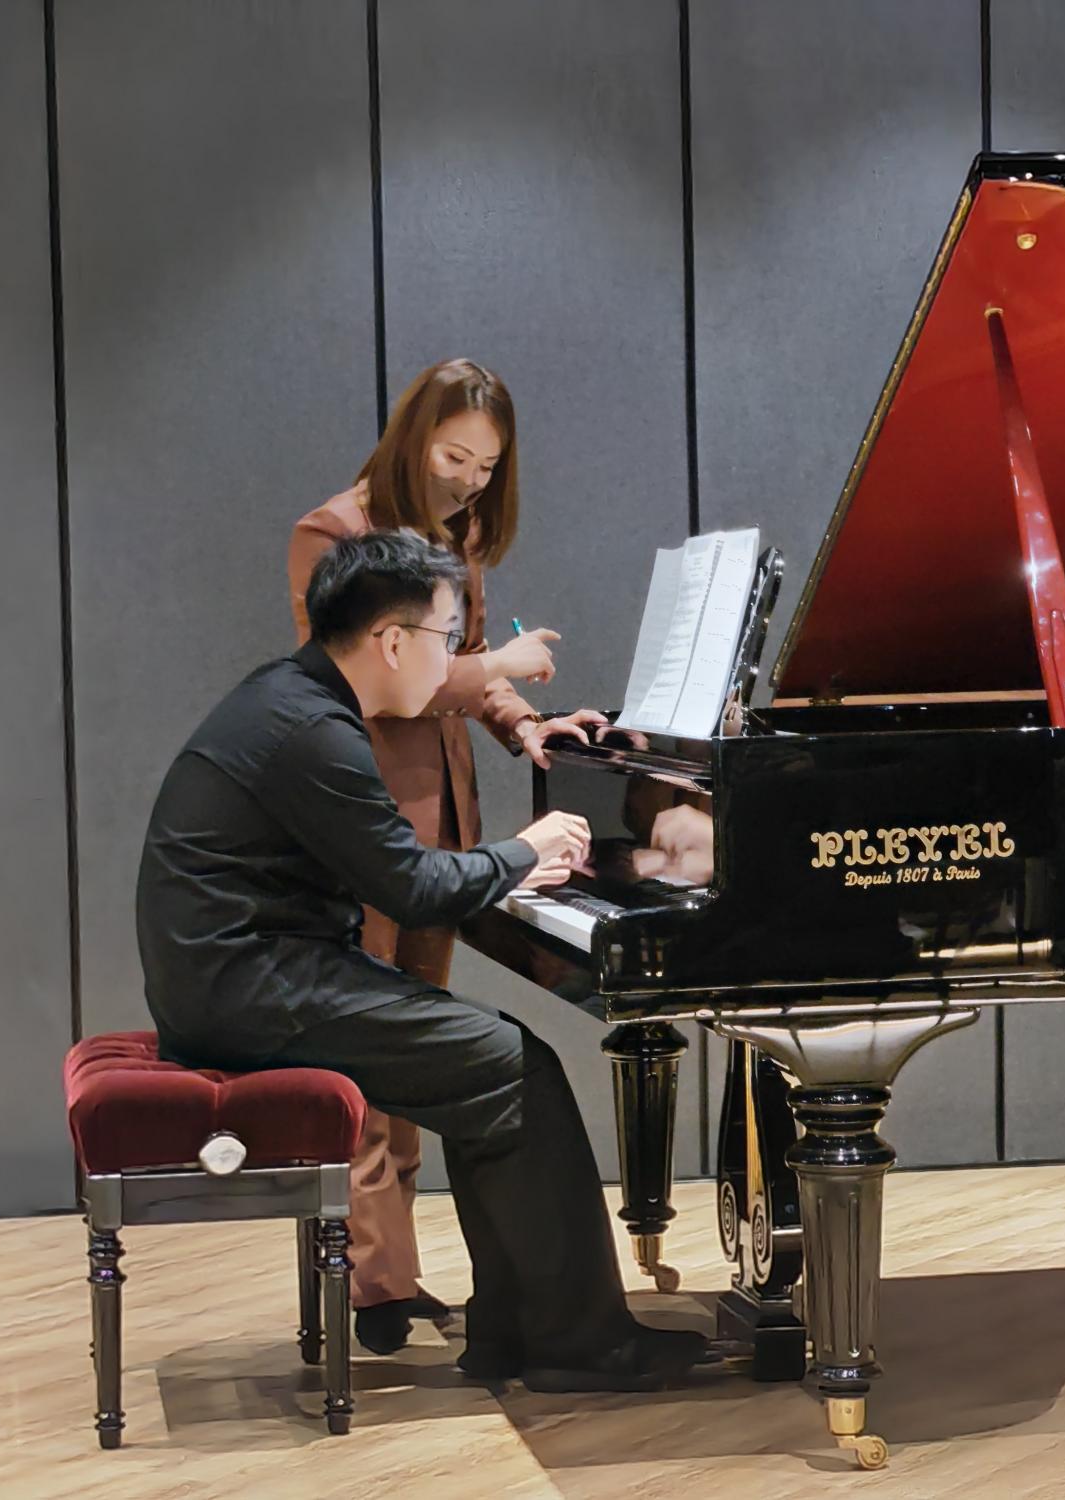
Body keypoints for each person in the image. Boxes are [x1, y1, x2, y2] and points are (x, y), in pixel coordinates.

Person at [137, 528, 706, 1391]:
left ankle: (517, 1335)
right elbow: (412, 888)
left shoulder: (293, 700)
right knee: (513, 1067)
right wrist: (525, 851)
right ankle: (579, 1345)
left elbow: (401, 875)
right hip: (247, 989)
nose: (452, 664)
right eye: (447, 637)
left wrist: (507, 865)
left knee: (495, 1072)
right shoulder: (312, 731)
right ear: (393, 641)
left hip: (236, 974)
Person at [286, 358, 608, 1355]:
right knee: (364, 1055)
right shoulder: (330, 533)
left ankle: (392, 1275)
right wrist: (499, 665)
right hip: (364, 827)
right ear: (413, 435)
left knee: (416, 1055)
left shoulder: (452, 538)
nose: (469, 480)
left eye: (486, 465)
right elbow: (372, 681)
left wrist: (527, 725)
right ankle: (373, 1284)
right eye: (454, 455)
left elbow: (461, 674)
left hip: (443, 828)